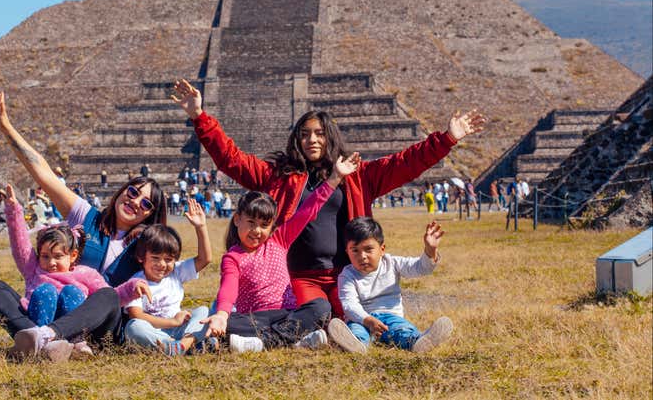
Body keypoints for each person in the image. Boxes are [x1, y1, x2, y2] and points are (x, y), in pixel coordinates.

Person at [172, 79, 485, 317]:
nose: (312, 140)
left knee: (348, 316)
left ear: (330, 137)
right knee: (318, 315)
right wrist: (200, 117)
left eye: (320, 133)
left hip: (345, 275)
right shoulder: (277, 175)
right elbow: (231, 159)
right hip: (295, 275)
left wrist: (446, 139)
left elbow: (405, 163)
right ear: (297, 138)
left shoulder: (358, 175)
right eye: (305, 134)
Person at [0, 92, 168, 354]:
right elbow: (45, 174)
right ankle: (42, 343)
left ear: (150, 214)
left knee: (108, 295)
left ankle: (47, 338)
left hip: (99, 327)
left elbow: (177, 271)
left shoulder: (146, 244)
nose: (136, 202)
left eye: (146, 204)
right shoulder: (86, 216)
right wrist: (7, 128)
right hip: (51, 312)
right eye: (133, 192)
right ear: (122, 191)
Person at [200, 152, 361, 353]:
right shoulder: (232, 258)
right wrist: (222, 314)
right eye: (251, 222)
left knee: (321, 307)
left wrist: (335, 177)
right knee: (225, 324)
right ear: (237, 219)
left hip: (286, 314)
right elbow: (228, 288)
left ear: (272, 227)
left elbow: (308, 211)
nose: (257, 231)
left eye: (264, 225)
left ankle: (261, 343)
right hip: (254, 318)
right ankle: (297, 341)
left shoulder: (280, 240)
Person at [0, 184, 151, 361]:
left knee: (75, 292)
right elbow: (20, 245)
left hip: (73, 329)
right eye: (45, 256)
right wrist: (13, 210)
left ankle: (68, 344)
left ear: (73, 256)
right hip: (38, 322)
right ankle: (40, 341)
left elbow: (109, 299)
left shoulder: (85, 273)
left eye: (58, 256)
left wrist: (132, 288)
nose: (51, 262)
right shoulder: (35, 269)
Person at [333, 217, 453, 353]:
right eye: (355, 250)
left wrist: (430, 250)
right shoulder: (347, 275)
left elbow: (421, 268)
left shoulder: (392, 263)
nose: (362, 256)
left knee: (402, 330)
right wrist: (368, 320)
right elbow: (349, 305)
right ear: (347, 252)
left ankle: (417, 342)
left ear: (382, 249)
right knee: (356, 330)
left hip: (391, 317)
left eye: (368, 249)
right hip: (362, 319)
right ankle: (356, 345)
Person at [124, 198, 212, 355]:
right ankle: (186, 346)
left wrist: (201, 227)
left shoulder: (176, 273)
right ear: (141, 257)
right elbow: (136, 314)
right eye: (155, 258)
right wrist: (171, 322)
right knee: (133, 327)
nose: (162, 265)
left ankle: (183, 345)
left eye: (168, 259)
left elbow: (205, 259)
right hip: (154, 332)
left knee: (203, 311)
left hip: (180, 331)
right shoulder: (136, 282)